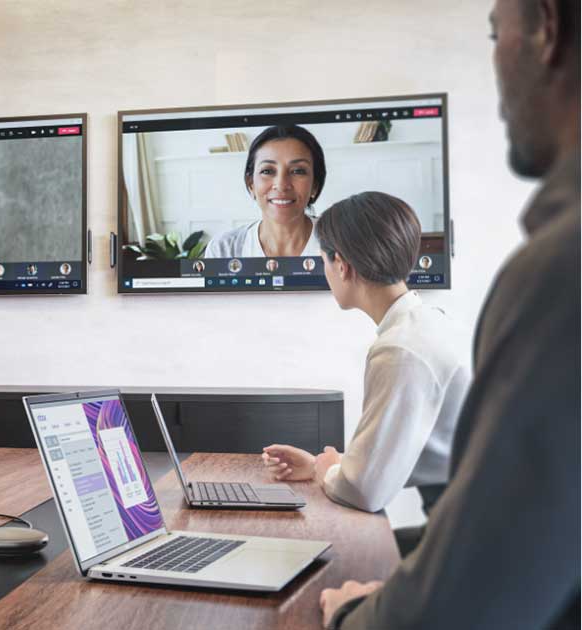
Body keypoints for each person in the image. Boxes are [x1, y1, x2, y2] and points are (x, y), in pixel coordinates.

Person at [320, 0, 579, 627]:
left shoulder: (555, 274)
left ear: (546, 29)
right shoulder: (422, 322)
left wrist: (349, 616)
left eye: (495, 32)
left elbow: (375, 494)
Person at [261, 192, 469, 526]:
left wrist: (328, 471)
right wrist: (322, 465)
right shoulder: (428, 323)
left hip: (472, 535)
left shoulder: (400, 350)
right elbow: (398, 452)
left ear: (341, 265)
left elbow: (364, 492)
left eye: (323, 261)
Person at [204, 125, 326, 259]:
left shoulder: (343, 243)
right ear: (251, 184)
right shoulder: (224, 249)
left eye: (297, 171)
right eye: (267, 171)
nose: (281, 185)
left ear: (315, 184)